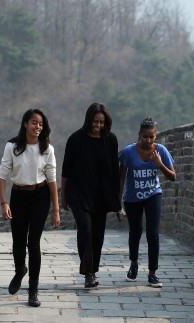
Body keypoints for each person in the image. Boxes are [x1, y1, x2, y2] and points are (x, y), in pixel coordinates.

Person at [0, 108, 60, 307]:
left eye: (41, 124)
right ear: (25, 123)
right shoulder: (12, 146)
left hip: (40, 196)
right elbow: (2, 175)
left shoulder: (47, 149)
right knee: (18, 240)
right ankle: (19, 271)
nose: (37, 127)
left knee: (33, 243)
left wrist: (56, 210)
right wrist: (4, 203)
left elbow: (52, 180)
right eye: (34, 122)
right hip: (19, 196)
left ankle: (33, 291)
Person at [61, 103, 121, 288]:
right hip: (79, 193)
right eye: (95, 121)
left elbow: (114, 172)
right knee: (85, 230)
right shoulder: (75, 139)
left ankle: (93, 271)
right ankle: (87, 273)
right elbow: (66, 170)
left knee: (98, 235)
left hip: (101, 196)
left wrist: (117, 203)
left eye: (102, 122)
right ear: (88, 120)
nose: (98, 125)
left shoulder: (110, 140)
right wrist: (64, 197)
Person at [119, 117, 176, 288]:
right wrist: (117, 202)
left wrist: (159, 164)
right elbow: (120, 178)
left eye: (151, 137)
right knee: (135, 232)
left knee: (153, 234)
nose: (148, 140)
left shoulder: (161, 151)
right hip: (132, 198)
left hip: (153, 195)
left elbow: (173, 177)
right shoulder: (128, 152)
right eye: (145, 137)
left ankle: (152, 273)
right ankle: (134, 264)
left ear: (155, 136)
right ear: (139, 135)